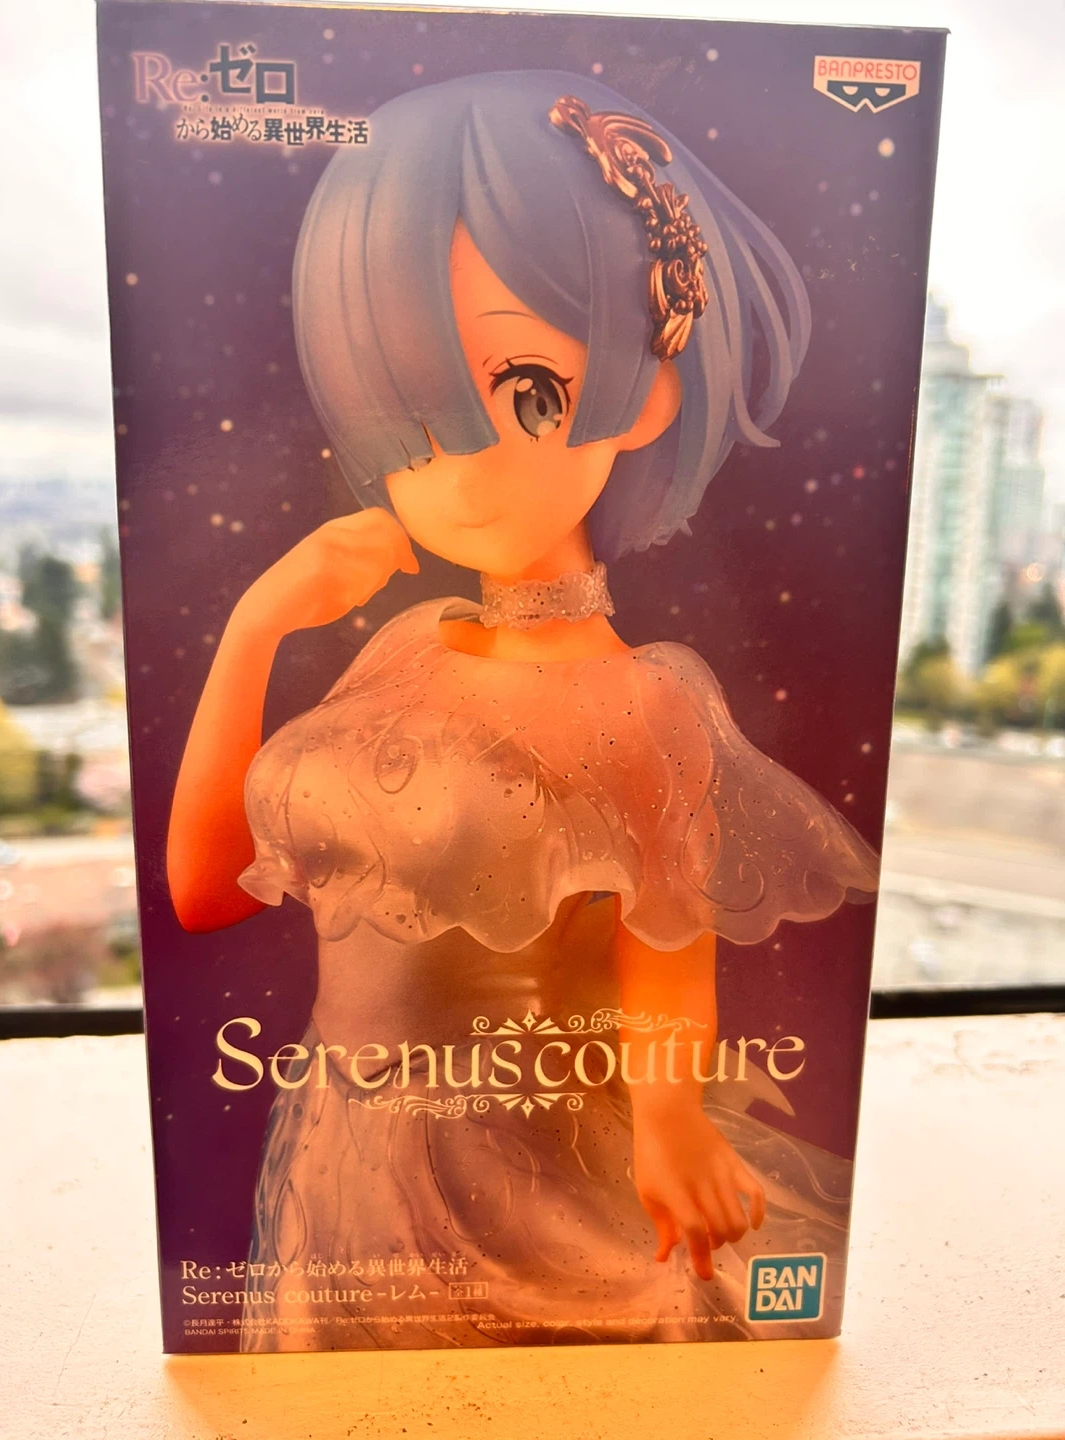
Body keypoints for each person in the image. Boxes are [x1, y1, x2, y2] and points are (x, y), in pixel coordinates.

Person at [167, 71, 879, 1351]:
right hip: (341, 1158)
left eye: (524, 391)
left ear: (646, 388)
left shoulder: (644, 700)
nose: (456, 472)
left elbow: (669, 947)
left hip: (524, 1175)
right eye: (406, 419)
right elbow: (206, 891)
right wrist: (255, 627)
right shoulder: (404, 648)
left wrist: (668, 1122)